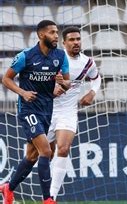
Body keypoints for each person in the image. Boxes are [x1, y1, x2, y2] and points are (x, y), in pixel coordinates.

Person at [0, 20, 70, 204]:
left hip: (47, 110)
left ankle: (8, 188)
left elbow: (68, 83)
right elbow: (6, 79)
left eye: (57, 32)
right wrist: (22, 92)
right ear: (41, 35)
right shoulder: (26, 56)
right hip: (28, 110)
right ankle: (48, 199)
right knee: (46, 151)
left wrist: (62, 84)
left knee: (32, 155)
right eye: (53, 32)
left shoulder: (61, 56)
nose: (56, 36)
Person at [47, 26, 101, 201]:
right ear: (64, 43)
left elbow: (96, 77)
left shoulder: (86, 62)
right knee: (41, 154)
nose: (76, 42)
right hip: (47, 110)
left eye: (78, 39)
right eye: (72, 40)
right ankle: (10, 187)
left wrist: (92, 93)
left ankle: (51, 197)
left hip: (68, 112)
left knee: (63, 148)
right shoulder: (54, 58)